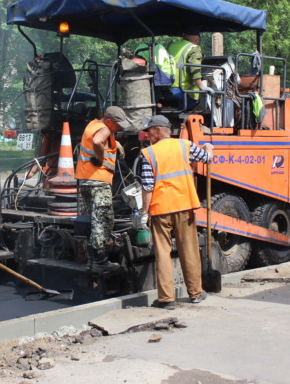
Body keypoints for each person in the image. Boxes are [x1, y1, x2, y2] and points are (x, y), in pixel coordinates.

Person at [140, 115, 213, 310]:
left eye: (149, 131)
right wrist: (209, 148)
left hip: (160, 208)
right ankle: (196, 293)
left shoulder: (148, 153)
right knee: (189, 249)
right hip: (183, 205)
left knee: (163, 253)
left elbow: (147, 187)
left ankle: (166, 299)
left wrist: (144, 214)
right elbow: (207, 158)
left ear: (159, 130)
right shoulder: (184, 145)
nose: (148, 135)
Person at [75, 106, 130, 274]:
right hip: (98, 181)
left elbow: (99, 138)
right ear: (108, 121)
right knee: (104, 221)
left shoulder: (92, 124)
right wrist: (100, 157)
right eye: (117, 125)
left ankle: (92, 261)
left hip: (86, 180)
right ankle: (100, 261)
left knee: (94, 220)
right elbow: (98, 141)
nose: (119, 128)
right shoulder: (104, 130)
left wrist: (115, 143)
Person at [167, 28, 205, 110]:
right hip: (183, 90)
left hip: (167, 88)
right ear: (197, 38)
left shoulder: (172, 46)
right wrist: (203, 88)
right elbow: (195, 73)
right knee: (199, 101)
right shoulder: (194, 49)